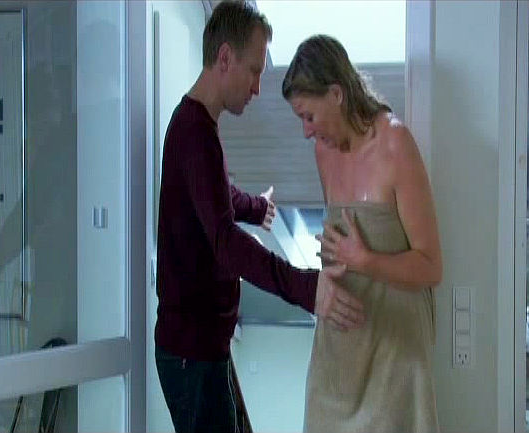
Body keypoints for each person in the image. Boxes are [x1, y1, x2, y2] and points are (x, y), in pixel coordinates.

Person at [155, 4, 366, 433]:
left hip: (204, 348)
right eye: (253, 71)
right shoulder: (194, 132)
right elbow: (225, 241)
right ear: (225, 57)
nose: (256, 87)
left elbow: (213, 196)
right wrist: (307, 288)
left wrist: (255, 207)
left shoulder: (199, 127)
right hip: (192, 353)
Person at [282, 34, 443, 433]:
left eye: (309, 116)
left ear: (336, 94)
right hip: (339, 352)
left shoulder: (395, 144)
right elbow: (339, 243)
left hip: (394, 356)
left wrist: (365, 260)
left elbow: (430, 267)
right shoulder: (323, 152)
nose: (305, 132)